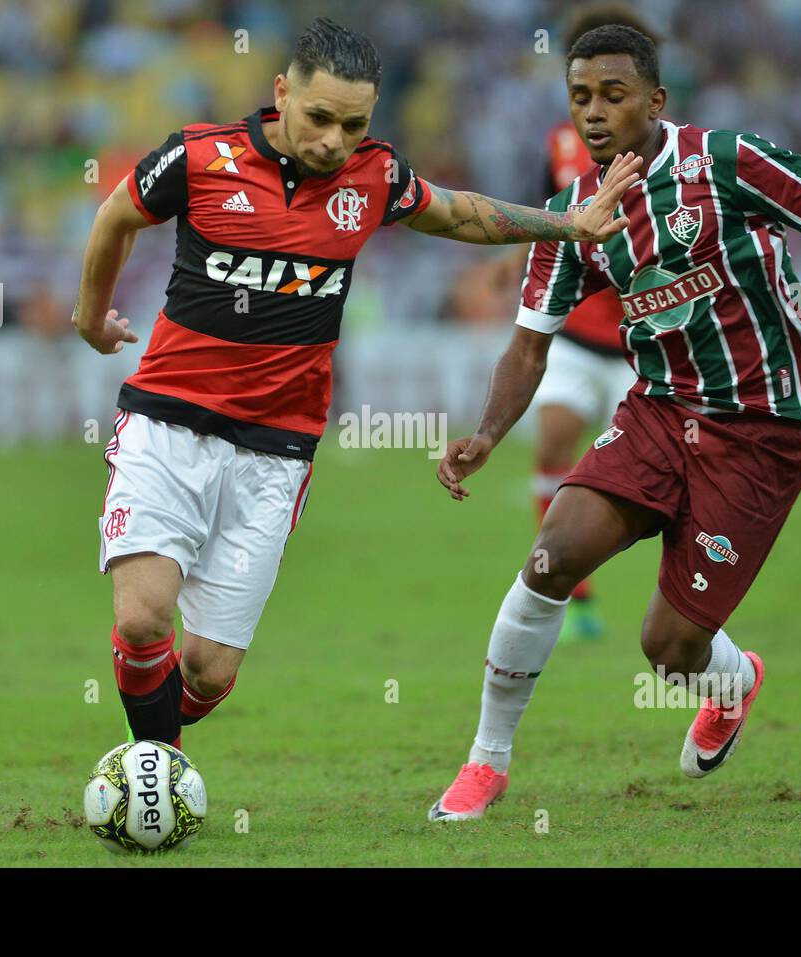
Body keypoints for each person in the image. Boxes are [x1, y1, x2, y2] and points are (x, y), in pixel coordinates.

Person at [428, 25, 801, 820]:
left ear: (655, 100)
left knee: (668, 649)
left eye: (613, 95)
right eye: (580, 98)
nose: (594, 113)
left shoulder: (729, 162)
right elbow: (529, 345)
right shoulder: (573, 216)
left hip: (760, 433)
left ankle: (731, 681)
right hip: (661, 410)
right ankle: (485, 765)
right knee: (550, 556)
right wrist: (487, 434)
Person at [71, 18, 642, 755]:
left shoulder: (372, 176)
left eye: (353, 124)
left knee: (208, 673)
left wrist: (567, 225)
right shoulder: (201, 157)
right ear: (281, 93)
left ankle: (157, 753)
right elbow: (117, 213)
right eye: (318, 118)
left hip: (276, 450)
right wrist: (91, 318)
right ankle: (160, 773)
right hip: (167, 421)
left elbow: (460, 213)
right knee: (143, 618)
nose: (333, 141)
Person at [532, 4, 660, 643]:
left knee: (655, 479)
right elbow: (546, 219)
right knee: (553, 443)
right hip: (579, 333)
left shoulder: (676, 156)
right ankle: (574, 594)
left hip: (645, 340)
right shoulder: (562, 145)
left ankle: (685, 609)